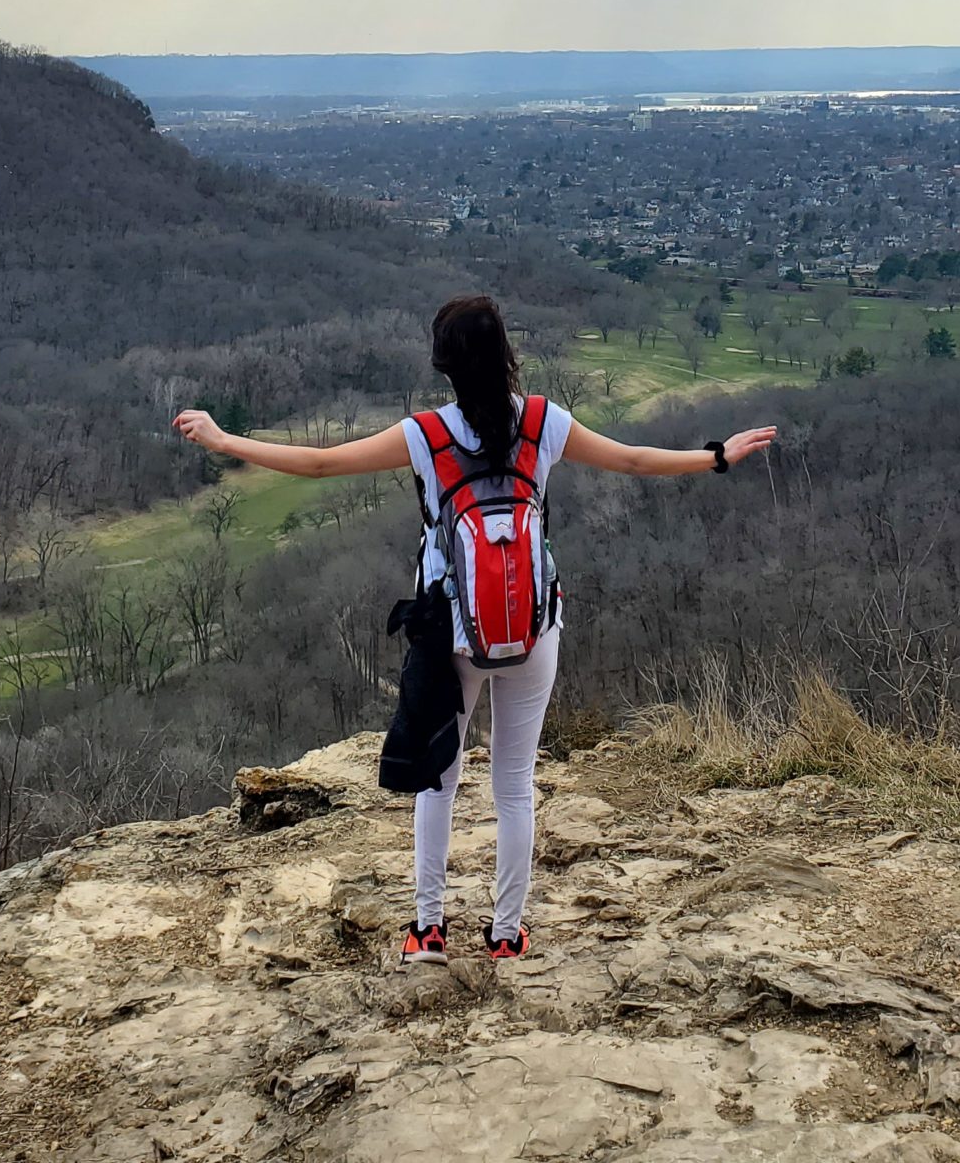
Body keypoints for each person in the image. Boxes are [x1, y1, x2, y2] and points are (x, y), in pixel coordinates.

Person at [173, 293, 777, 965]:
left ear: (444, 365)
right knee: (514, 784)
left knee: (441, 777)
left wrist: (224, 440)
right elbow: (633, 460)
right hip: (532, 624)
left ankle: (429, 930)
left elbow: (320, 464)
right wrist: (717, 456)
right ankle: (506, 935)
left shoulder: (425, 436)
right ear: (507, 357)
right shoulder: (545, 421)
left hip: (450, 632)